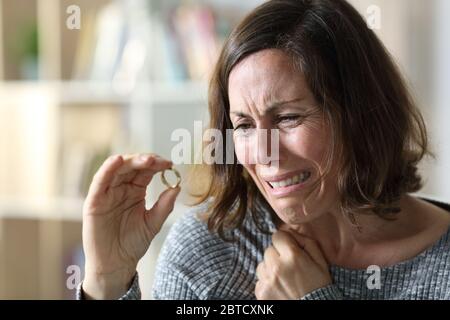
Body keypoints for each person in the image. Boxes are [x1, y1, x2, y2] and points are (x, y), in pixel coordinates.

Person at [77, 0, 450, 300]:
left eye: (287, 117)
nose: (263, 153)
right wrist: (107, 281)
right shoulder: (207, 251)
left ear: (361, 114)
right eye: (243, 126)